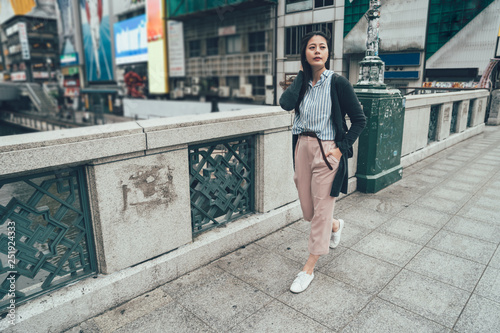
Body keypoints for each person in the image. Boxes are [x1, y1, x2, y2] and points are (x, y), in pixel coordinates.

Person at [279, 31, 366, 293]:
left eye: (322, 47)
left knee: (320, 213)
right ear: (304, 53)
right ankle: (336, 225)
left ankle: (309, 268)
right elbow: (285, 104)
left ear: (329, 53)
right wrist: (303, 76)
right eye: (312, 47)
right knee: (309, 211)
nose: (317, 51)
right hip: (302, 148)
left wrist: (340, 150)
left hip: (327, 150)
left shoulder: (337, 83)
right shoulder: (302, 84)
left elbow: (359, 120)